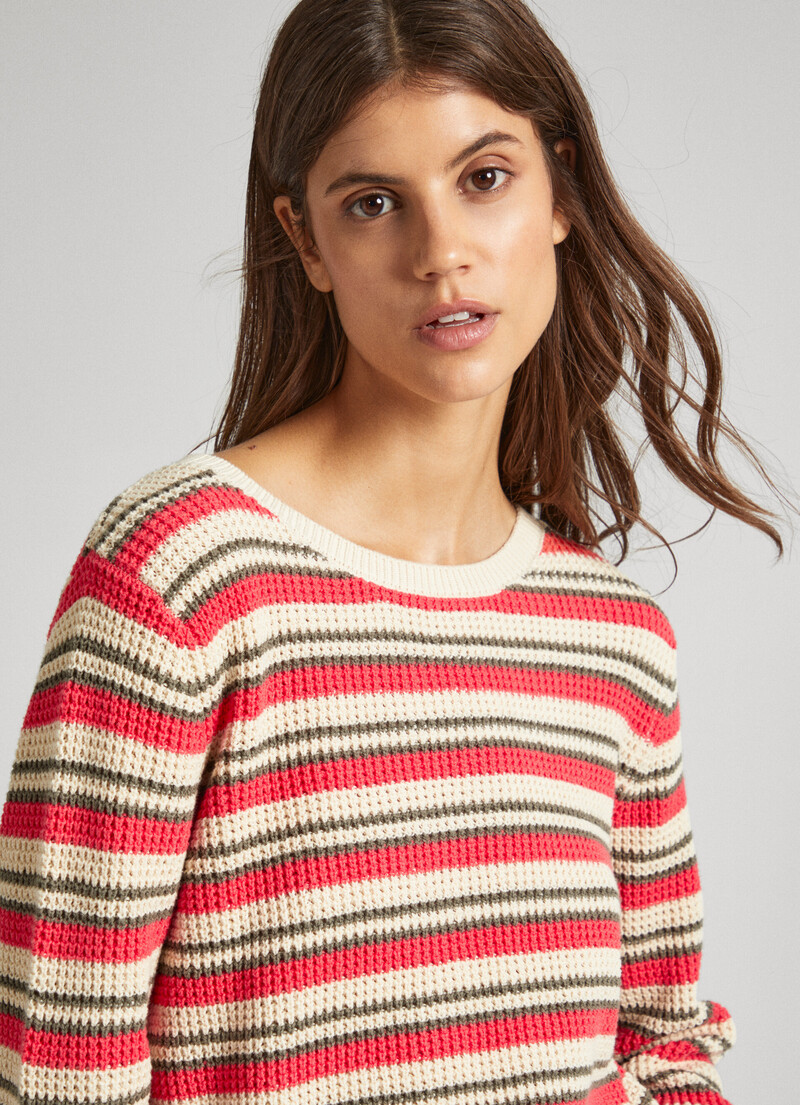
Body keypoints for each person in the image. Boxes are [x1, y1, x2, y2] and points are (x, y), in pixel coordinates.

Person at [0, 2, 791, 1103]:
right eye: (373, 203)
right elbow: (55, 1069)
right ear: (305, 241)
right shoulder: (182, 576)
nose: (440, 254)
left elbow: (659, 1048)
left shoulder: (614, 639)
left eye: (484, 178)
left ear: (559, 192)